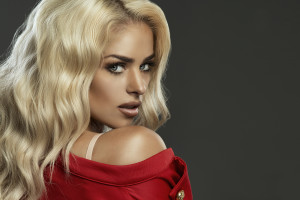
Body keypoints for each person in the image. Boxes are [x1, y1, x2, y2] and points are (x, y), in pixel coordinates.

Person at [0, 0, 193, 199]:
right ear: (66, 69)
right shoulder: (135, 147)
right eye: (116, 67)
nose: (140, 87)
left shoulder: (17, 161)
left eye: (145, 66)